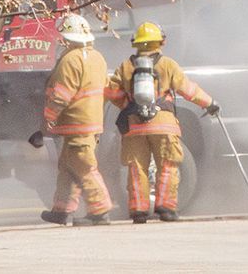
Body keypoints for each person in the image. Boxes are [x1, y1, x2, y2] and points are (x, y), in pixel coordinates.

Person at [106, 21, 219, 223]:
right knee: (168, 165)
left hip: (134, 126)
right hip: (163, 124)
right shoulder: (168, 64)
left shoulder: (126, 66)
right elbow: (188, 89)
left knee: (136, 168)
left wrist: (130, 106)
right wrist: (209, 103)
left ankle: (139, 211)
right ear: (161, 42)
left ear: (136, 43)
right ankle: (166, 208)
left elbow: (112, 93)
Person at [32, 12, 115, 226]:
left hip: (76, 124)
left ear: (68, 37)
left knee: (83, 167)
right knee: (68, 167)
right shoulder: (97, 57)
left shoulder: (71, 59)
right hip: (89, 124)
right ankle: (62, 210)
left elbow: (60, 95)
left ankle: (100, 211)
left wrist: (47, 122)